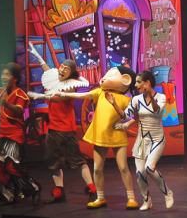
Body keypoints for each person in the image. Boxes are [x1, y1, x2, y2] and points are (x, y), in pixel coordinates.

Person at [58, 65, 138, 209]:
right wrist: (66, 95)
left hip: (117, 135)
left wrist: (124, 120)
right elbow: (84, 95)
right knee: (97, 169)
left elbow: (132, 116)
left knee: (123, 167)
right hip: (101, 135)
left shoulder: (126, 100)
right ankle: (100, 197)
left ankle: (131, 197)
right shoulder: (100, 92)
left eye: (110, 76)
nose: (104, 78)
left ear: (126, 80)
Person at [25, 43, 95, 204]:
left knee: (78, 161)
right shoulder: (56, 79)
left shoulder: (71, 87)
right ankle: (59, 193)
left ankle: (92, 190)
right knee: (53, 162)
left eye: (66, 69)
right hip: (52, 129)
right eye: (61, 67)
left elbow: (58, 98)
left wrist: (40, 96)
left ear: (71, 73)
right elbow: (48, 72)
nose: (62, 70)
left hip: (66, 130)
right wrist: (38, 57)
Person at [0, 64, 42, 204]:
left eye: (7, 74)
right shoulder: (1, 92)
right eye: (2, 74)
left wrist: (6, 104)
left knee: (11, 167)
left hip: (15, 137)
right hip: (2, 136)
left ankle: (34, 187)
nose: (3, 77)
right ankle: (8, 196)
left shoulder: (20, 94)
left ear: (15, 78)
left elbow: (19, 109)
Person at [116, 71, 173, 210]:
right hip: (142, 140)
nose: (136, 85)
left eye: (138, 82)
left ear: (147, 83)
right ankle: (146, 200)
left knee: (149, 168)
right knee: (140, 172)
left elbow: (156, 111)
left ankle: (167, 193)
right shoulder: (136, 99)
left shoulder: (161, 97)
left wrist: (150, 96)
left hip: (157, 139)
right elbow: (125, 116)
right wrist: (114, 104)